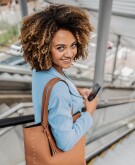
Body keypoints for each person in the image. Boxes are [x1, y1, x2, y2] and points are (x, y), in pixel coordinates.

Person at [19, 4, 98, 152]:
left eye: (73, 45)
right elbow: (65, 143)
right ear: (44, 47)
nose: (69, 54)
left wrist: (76, 91)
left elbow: (51, 92)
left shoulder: (40, 70)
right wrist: (89, 113)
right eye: (60, 48)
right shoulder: (59, 90)